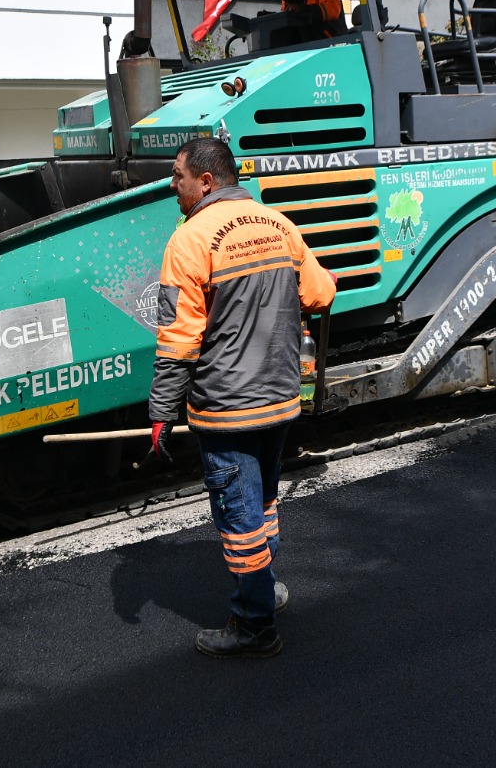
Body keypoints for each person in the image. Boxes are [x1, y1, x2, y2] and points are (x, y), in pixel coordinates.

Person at [148, 137, 337, 657]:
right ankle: (267, 591)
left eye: (177, 175)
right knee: (264, 500)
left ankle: (254, 626)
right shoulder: (279, 224)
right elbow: (320, 295)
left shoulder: (187, 242)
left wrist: (161, 413)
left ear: (206, 181)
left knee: (239, 517)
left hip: (228, 408)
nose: (172, 185)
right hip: (279, 401)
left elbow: (178, 340)